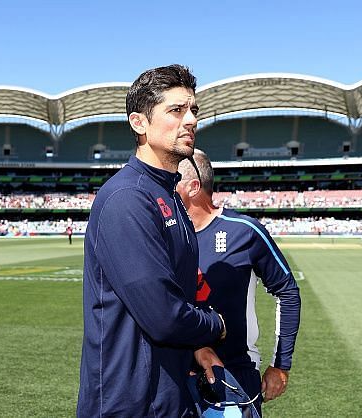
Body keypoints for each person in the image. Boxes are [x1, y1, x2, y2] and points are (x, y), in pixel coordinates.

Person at [77, 65, 226, 417]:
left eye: (193, 110)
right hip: (130, 403)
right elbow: (163, 316)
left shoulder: (168, 195)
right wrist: (215, 325)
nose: (190, 120)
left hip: (169, 394)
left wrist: (197, 347)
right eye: (176, 110)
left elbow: (176, 296)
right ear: (138, 123)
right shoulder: (127, 199)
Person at [177, 150, 301, 416]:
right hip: (173, 374)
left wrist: (281, 363)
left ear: (192, 187)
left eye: (170, 180)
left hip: (235, 375)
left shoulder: (244, 231)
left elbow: (287, 292)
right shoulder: (164, 236)